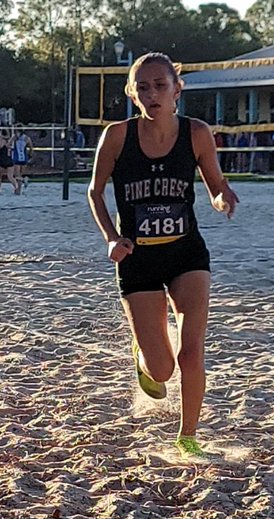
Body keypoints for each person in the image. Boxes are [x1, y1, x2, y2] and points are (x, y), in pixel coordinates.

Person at [87, 52, 239, 460]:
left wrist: (223, 198)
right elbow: (94, 192)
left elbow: (215, 183)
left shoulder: (197, 133)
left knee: (192, 350)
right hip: (137, 258)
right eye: (143, 86)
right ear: (132, 93)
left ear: (177, 89)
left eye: (160, 85)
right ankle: (144, 353)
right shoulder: (117, 136)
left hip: (186, 254)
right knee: (162, 371)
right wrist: (111, 237)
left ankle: (188, 435)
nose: (151, 93)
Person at [0, 131, 20, 195]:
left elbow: (0, 146)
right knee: (10, 176)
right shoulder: (9, 141)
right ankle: (16, 187)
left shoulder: (1, 140)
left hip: (3, 160)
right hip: (9, 160)